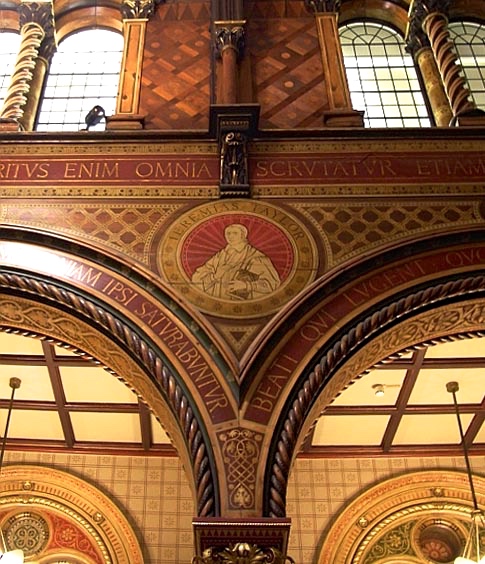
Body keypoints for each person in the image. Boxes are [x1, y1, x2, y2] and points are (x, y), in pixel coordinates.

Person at [191, 223, 281, 300]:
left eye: (235, 233)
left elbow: (272, 284)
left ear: (243, 235)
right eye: (228, 233)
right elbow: (196, 278)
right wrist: (214, 277)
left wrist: (246, 285)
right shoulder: (220, 255)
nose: (231, 236)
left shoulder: (255, 256)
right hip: (218, 302)